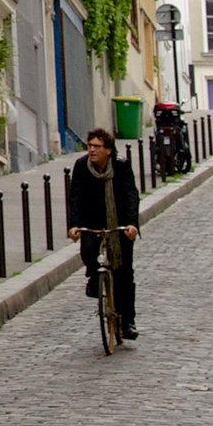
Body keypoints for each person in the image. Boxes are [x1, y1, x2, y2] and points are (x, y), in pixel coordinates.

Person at [64, 128, 141, 340]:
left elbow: (130, 195)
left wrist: (132, 225)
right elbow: (75, 197)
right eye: (89, 146)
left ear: (108, 150)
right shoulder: (81, 166)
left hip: (119, 224)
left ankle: (127, 322)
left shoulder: (121, 166)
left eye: (96, 146)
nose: (91, 150)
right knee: (89, 251)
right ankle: (93, 277)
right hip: (92, 222)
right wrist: (74, 225)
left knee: (124, 273)